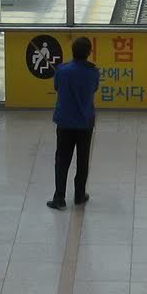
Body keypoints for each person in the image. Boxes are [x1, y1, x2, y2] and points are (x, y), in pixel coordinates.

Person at [47, 35, 99, 211]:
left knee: (62, 160)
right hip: (85, 122)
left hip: (65, 121)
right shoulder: (93, 72)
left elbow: (56, 87)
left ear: (73, 51)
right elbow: (94, 88)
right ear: (88, 53)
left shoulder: (62, 70)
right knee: (83, 160)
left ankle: (59, 197)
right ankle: (79, 195)